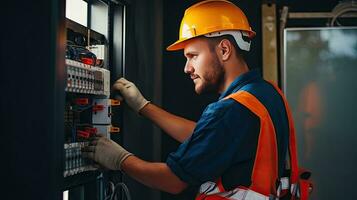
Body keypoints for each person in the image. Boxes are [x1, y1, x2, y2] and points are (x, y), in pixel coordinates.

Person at [83, 0, 303, 199]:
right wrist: (144, 107)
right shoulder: (266, 94)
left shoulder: (229, 111)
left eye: (193, 56)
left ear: (224, 49)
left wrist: (119, 159)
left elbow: (173, 180)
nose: (187, 68)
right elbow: (209, 137)